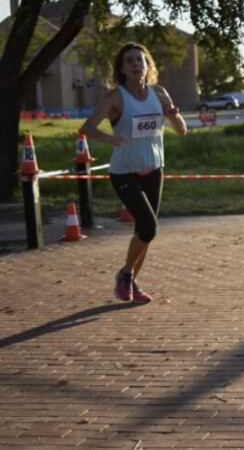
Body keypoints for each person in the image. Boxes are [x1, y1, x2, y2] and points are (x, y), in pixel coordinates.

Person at [80, 42, 187, 304]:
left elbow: (182, 130)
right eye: (130, 61)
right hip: (125, 171)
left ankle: (130, 281)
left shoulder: (159, 92)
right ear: (122, 68)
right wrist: (109, 138)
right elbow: (87, 128)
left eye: (140, 60)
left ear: (148, 65)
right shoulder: (115, 97)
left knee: (144, 231)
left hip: (154, 168)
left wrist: (170, 108)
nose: (136, 65)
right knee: (149, 227)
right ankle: (125, 275)